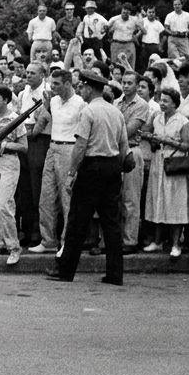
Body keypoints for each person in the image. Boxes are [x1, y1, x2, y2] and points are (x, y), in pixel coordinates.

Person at [46, 69, 130, 285]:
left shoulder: (88, 112)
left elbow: (81, 144)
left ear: (89, 88)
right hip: (112, 167)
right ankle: (115, 273)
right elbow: (123, 146)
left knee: (77, 221)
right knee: (111, 223)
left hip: (92, 166)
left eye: (82, 86)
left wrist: (71, 173)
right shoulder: (116, 112)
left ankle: (66, 270)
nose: (80, 90)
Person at [28, 68, 83, 254]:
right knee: (46, 197)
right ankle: (48, 240)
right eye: (52, 83)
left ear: (68, 84)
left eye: (57, 84)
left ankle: (68, 242)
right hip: (52, 147)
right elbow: (41, 120)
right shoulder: (52, 101)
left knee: (67, 198)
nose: (53, 87)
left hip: (70, 149)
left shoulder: (80, 104)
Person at [142, 88, 189, 259]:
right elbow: (147, 132)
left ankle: (176, 244)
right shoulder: (157, 117)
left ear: (174, 103)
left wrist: (167, 141)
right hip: (158, 162)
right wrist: (151, 137)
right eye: (161, 100)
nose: (162, 103)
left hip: (174, 165)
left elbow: (187, 145)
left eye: (166, 101)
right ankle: (157, 241)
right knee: (157, 200)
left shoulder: (182, 121)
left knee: (175, 203)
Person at [0, 85, 25, 266]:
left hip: (8, 163)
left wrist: (3, 146)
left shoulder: (15, 119)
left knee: (4, 204)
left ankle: (13, 246)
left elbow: (24, 146)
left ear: (6, 100)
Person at [117, 71, 151, 253]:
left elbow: (129, 130)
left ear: (137, 85)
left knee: (131, 198)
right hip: (116, 150)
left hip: (131, 149)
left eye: (130, 83)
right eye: (123, 82)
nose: (126, 85)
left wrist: (112, 132)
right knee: (117, 198)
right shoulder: (116, 102)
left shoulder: (142, 105)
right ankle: (117, 238)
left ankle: (130, 240)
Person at [107, 4, 141, 71]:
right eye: (124, 12)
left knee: (130, 66)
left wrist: (136, 36)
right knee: (115, 65)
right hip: (116, 44)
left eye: (127, 12)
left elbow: (143, 30)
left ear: (130, 12)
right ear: (121, 10)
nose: (125, 14)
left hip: (129, 44)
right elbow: (106, 30)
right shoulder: (114, 19)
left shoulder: (134, 20)